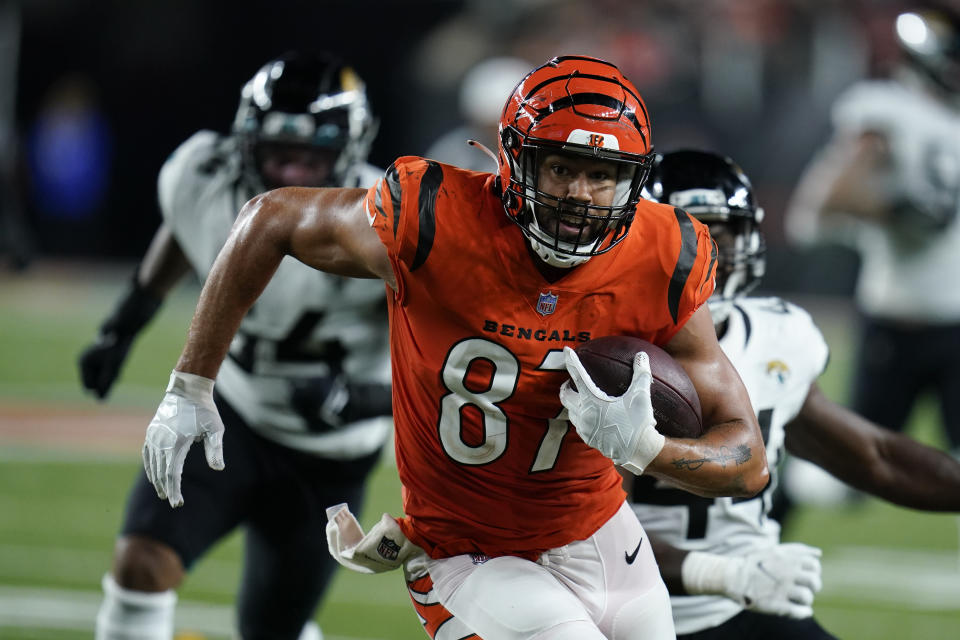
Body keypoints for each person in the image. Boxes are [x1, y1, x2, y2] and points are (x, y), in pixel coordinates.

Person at [139, 55, 770, 640]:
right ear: (515, 162)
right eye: (561, 168)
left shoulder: (666, 255)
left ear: (632, 183)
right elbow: (269, 218)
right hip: (466, 547)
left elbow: (747, 462)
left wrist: (648, 448)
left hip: (599, 532)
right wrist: (190, 384)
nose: (581, 194)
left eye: (602, 176)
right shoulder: (435, 219)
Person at [78, 52, 393, 640]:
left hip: (331, 453)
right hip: (230, 414)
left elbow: (446, 363)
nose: (292, 170)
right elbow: (184, 222)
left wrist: (365, 397)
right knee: (141, 564)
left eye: (310, 156)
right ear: (246, 137)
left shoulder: (386, 219)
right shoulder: (203, 172)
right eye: (278, 150)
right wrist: (126, 319)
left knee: (272, 630)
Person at [631, 149, 960, 640]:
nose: (706, 255)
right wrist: (724, 574)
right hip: (628, 608)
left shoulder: (775, 339)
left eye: (720, 236)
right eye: (686, 236)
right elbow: (586, 526)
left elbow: (876, 457)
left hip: (746, 603)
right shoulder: (604, 352)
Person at [786, 6, 960, 461]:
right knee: (844, 461)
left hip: (951, 320)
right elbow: (830, 198)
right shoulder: (887, 109)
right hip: (898, 320)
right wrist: (897, 208)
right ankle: (765, 527)